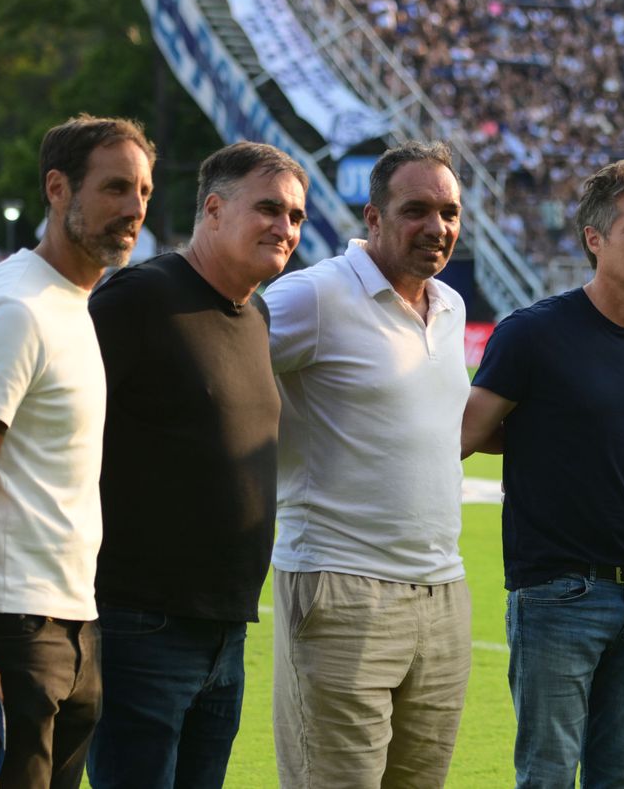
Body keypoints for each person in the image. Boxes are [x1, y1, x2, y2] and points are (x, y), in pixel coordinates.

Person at [0, 114, 155, 788]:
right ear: (57, 189)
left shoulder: (73, 301)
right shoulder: (15, 306)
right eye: (114, 189)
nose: (134, 208)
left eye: (143, 191)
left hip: (71, 617)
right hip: (8, 624)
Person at [462, 160, 624, 787]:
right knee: (547, 776)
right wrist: (543, 437)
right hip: (558, 594)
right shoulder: (534, 333)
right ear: (594, 239)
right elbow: (462, 435)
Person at [85, 142, 308, 789]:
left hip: (226, 630)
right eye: (268, 208)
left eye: (295, 215)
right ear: (213, 208)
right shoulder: (139, 298)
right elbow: (58, 436)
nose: (285, 227)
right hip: (140, 624)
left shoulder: (258, 314)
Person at [265, 140, 470, 788]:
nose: (437, 227)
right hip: (340, 587)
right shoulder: (313, 296)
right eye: (417, 210)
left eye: (450, 211)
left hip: (443, 594)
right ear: (373, 217)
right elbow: (217, 364)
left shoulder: (450, 306)